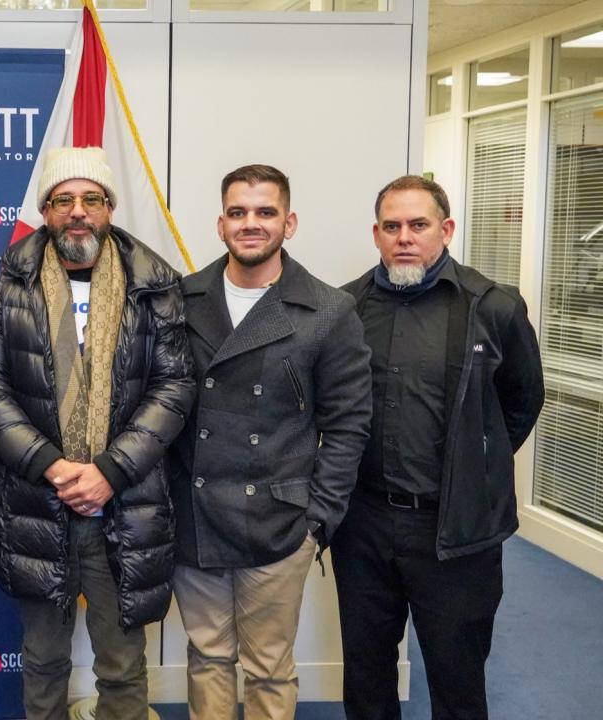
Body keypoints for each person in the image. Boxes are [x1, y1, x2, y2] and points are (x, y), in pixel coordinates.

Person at [0, 146, 197, 719]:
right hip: (35, 502)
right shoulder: (10, 285)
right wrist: (51, 464)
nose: (77, 211)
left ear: (109, 208)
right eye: (63, 200)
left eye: (90, 199)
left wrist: (109, 472)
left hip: (125, 503)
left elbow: (173, 388)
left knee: (121, 663)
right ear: (46, 212)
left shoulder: (155, 284)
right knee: (43, 658)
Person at [334, 175, 544, 720]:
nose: (405, 237)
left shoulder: (492, 307)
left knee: (457, 676)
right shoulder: (345, 308)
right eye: (392, 226)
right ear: (376, 234)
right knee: (366, 672)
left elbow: (520, 404)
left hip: (456, 533)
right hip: (364, 526)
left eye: (419, 225)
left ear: (445, 230)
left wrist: (475, 468)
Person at [169, 164, 372, 720]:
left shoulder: (329, 311)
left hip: (280, 521)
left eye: (265, 212)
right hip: (197, 511)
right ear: (220, 223)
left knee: (267, 667)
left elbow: (349, 424)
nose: (251, 224)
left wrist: (318, 520)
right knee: (208, 656)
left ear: (290, 222)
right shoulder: (182, 299)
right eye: (238, 212)